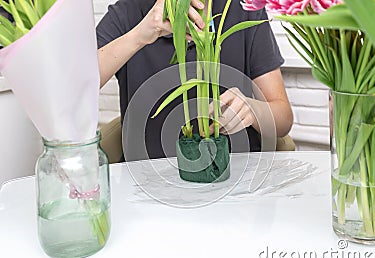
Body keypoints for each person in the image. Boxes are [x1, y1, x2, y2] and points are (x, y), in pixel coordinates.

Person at [96, 0, 293, 159]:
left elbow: (283, 119)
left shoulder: (244, 9)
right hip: (150, 180)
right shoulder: (128, 12)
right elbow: (73, 89)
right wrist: (140, 35)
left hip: (234, 179)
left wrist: (253, 109)